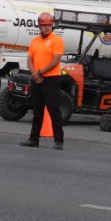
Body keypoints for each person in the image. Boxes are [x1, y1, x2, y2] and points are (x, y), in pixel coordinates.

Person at [20, 12, 66, 150]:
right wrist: (34, 74)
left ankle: (59, 140)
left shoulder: (57, 40)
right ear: (39, 26)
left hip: (51, 79)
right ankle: (34, 139)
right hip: (37, 78)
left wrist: (39, 72)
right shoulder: (34, 41)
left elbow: (55, 60)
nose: (47, 28)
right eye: (44, 25)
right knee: (37, 111)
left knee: (54, 110)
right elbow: (30, 59)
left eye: (49, 25)